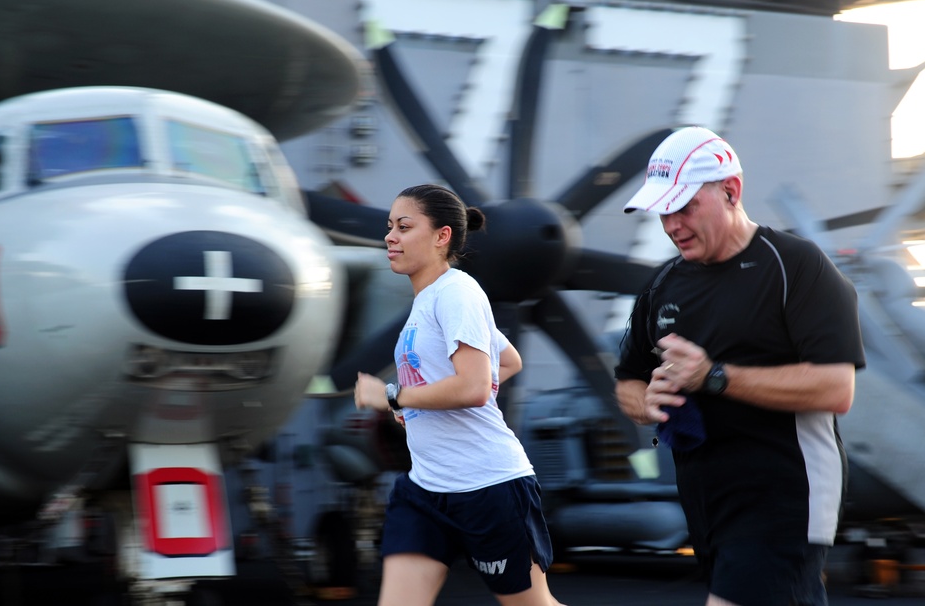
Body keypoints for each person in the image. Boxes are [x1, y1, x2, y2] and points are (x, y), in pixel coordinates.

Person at [614, 126, 865, 606]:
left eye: (685, 207)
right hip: (708, 507)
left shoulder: (798, 266)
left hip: (784, 500)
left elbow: (837, 388)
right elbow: (628, 380)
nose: (672, 225)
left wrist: (712, 376)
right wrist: (646, 402)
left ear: (731, 191)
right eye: (663, 211)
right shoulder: (662, 284)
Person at [354, 184, 565, 606]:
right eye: (389, 226)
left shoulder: (458, 293)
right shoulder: (427, 299)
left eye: (404, 226)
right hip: (426, 489)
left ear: (441, 236)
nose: (390, 236)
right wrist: (422, 402)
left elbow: (472, 387)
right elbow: (508, 362)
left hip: (488, 486)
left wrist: (395, 397)